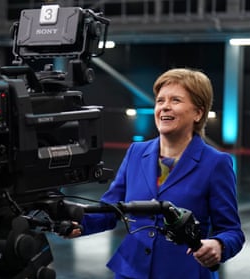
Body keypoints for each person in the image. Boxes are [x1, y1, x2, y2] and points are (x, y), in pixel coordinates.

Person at [68, 68, 245, 278]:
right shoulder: (136, 152)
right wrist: (78, 223)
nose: (164, 107)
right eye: (160, 101)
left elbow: (232, 232)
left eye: (176, 100)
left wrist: (218, 245)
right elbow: (111, 210)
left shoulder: (216, 163)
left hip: (184, 273)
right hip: (131, 271)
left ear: (198, 112)